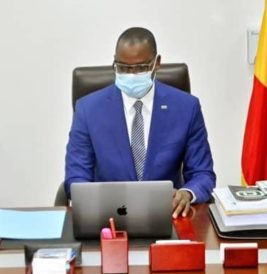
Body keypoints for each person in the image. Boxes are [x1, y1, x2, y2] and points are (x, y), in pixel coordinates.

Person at [64, 27, 216, 218]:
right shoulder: (88, 110)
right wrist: (95, 203)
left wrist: (186, 193)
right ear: (114, 62)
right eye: (123, 67)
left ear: (157, 63)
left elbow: (203, 173)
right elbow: (76, 178)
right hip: (108, 218)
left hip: (168, 215)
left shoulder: (186, 107)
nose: (131, 75)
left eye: (141, 68)